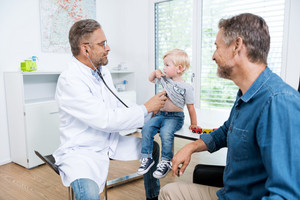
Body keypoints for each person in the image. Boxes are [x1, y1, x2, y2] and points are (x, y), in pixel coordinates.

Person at [159, 13, 300, 200]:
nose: (213, 56)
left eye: (217, 47)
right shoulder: (245, 92)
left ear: (237, 46)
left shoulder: (278, 102)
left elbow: (285, 195)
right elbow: (227, 131)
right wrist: (191, 146)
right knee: (169, 192)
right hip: (228, 193)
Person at [53, 19, 167, 200]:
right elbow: (105, 119)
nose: (108, 48)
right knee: (90, 195)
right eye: (102, 43)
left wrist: (151, 112)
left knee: (151, 148)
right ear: (85, 49)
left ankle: (152, 196)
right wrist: (145, 109)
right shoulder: (70, 80)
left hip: (108, 142)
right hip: (82, 152)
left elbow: (118, 104)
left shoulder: (101, 71)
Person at [137, 49, 200, 179]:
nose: (164, 68)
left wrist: (194, 123)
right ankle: (146, 157)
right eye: (164, 64)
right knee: (147, 128)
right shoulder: (165, 80)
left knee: (166, 133)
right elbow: (151, 79)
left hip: (175, 117)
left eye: (167, 65)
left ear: (179, 68)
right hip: (160, 114)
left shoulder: (187, 88)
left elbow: (191, 108)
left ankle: (166, 161)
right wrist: (155, 73)